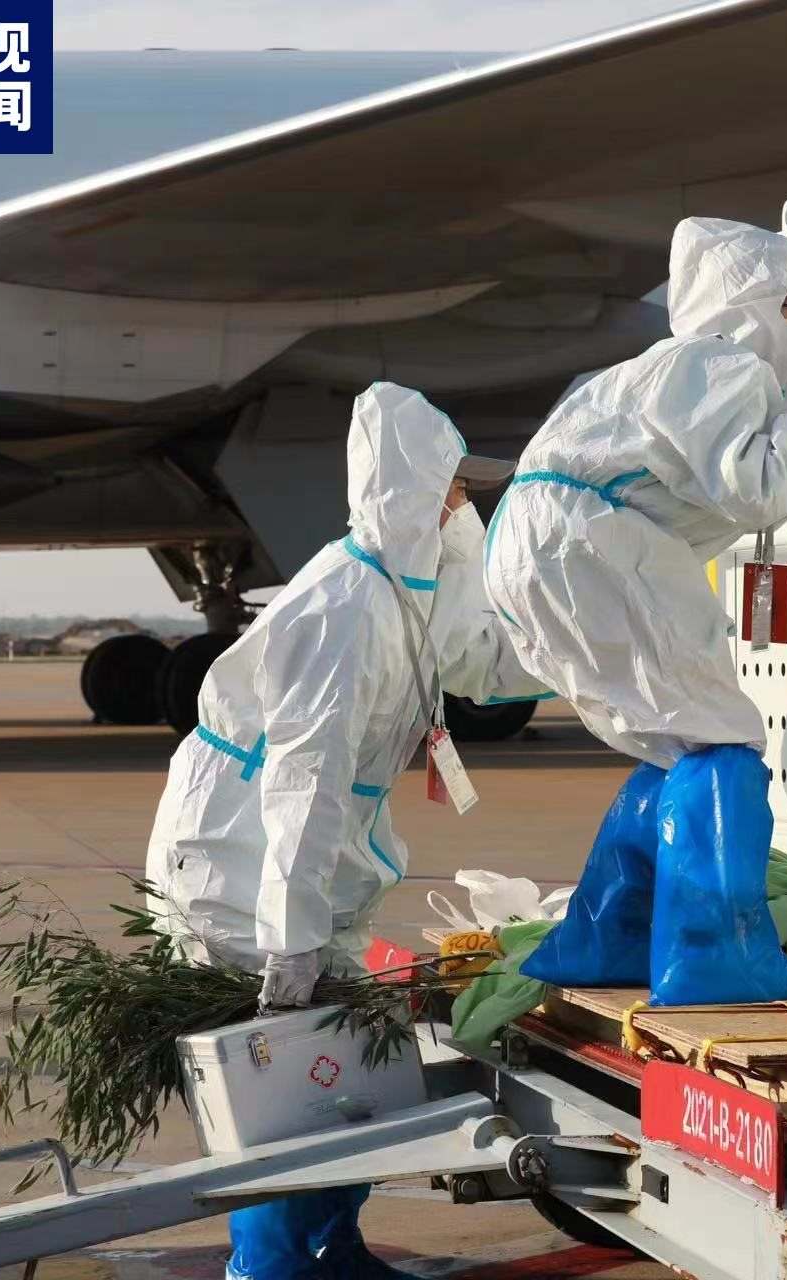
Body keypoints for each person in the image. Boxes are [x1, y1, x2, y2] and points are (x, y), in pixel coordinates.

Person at [144, 382, 542, 1280]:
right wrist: (290, 944)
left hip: (319, 851)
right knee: (285, 1078)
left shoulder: (407, 594)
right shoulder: (344, 609)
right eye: (453, 487)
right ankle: (271, 1266)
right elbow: (303, 788)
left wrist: (589, 642)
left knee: (347, 1063)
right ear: (410, 490)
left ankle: (331, 1247)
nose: (464, 505)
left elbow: (484, 661)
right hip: (244, 852)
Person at [484, 216, 787, 1006]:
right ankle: (714, 954)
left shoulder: (666, 369)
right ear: (749, 305)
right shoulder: (716, 362)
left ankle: (606, 936)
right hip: (591, 544)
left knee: (677, 741)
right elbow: (759, 487)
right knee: (723, 739)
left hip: (545, 545)